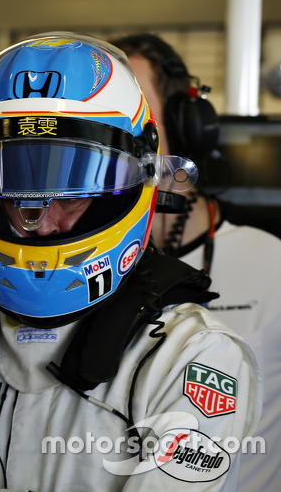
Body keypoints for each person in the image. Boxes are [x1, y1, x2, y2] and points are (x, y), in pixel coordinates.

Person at [0, 32, 261, 491]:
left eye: (73, 192)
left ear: (126, 189)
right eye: (11, 190)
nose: (40, 221)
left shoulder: (196, 357)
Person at [111, 31, 281, 491]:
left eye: (131, 107)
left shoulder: (272, 264)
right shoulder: (64, 268)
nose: (113, 132)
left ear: (186, 129)